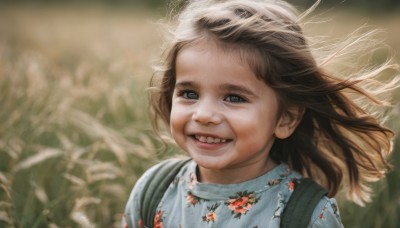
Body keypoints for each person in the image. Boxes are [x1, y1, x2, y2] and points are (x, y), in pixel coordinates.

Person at [123, 0, 399, 227]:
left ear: (286, 119)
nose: (204, 114)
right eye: (190, 94)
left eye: (234, 97)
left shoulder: (305, 215)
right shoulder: (154, 191)